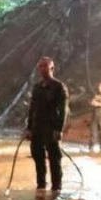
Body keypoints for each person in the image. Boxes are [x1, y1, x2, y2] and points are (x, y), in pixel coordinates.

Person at [25, 57, 68, 191]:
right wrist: (29, 128)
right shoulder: (37, 87)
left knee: (54, 158)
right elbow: (32, 109)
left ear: (52, 68)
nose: (43, 69)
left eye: (45, 66)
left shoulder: (59, 87)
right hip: (37, 127)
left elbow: (63, 110)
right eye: (40, 66)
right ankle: (41, 186)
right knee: (38, 157)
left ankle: (56, 188)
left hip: (51, 127)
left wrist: (59, 129)